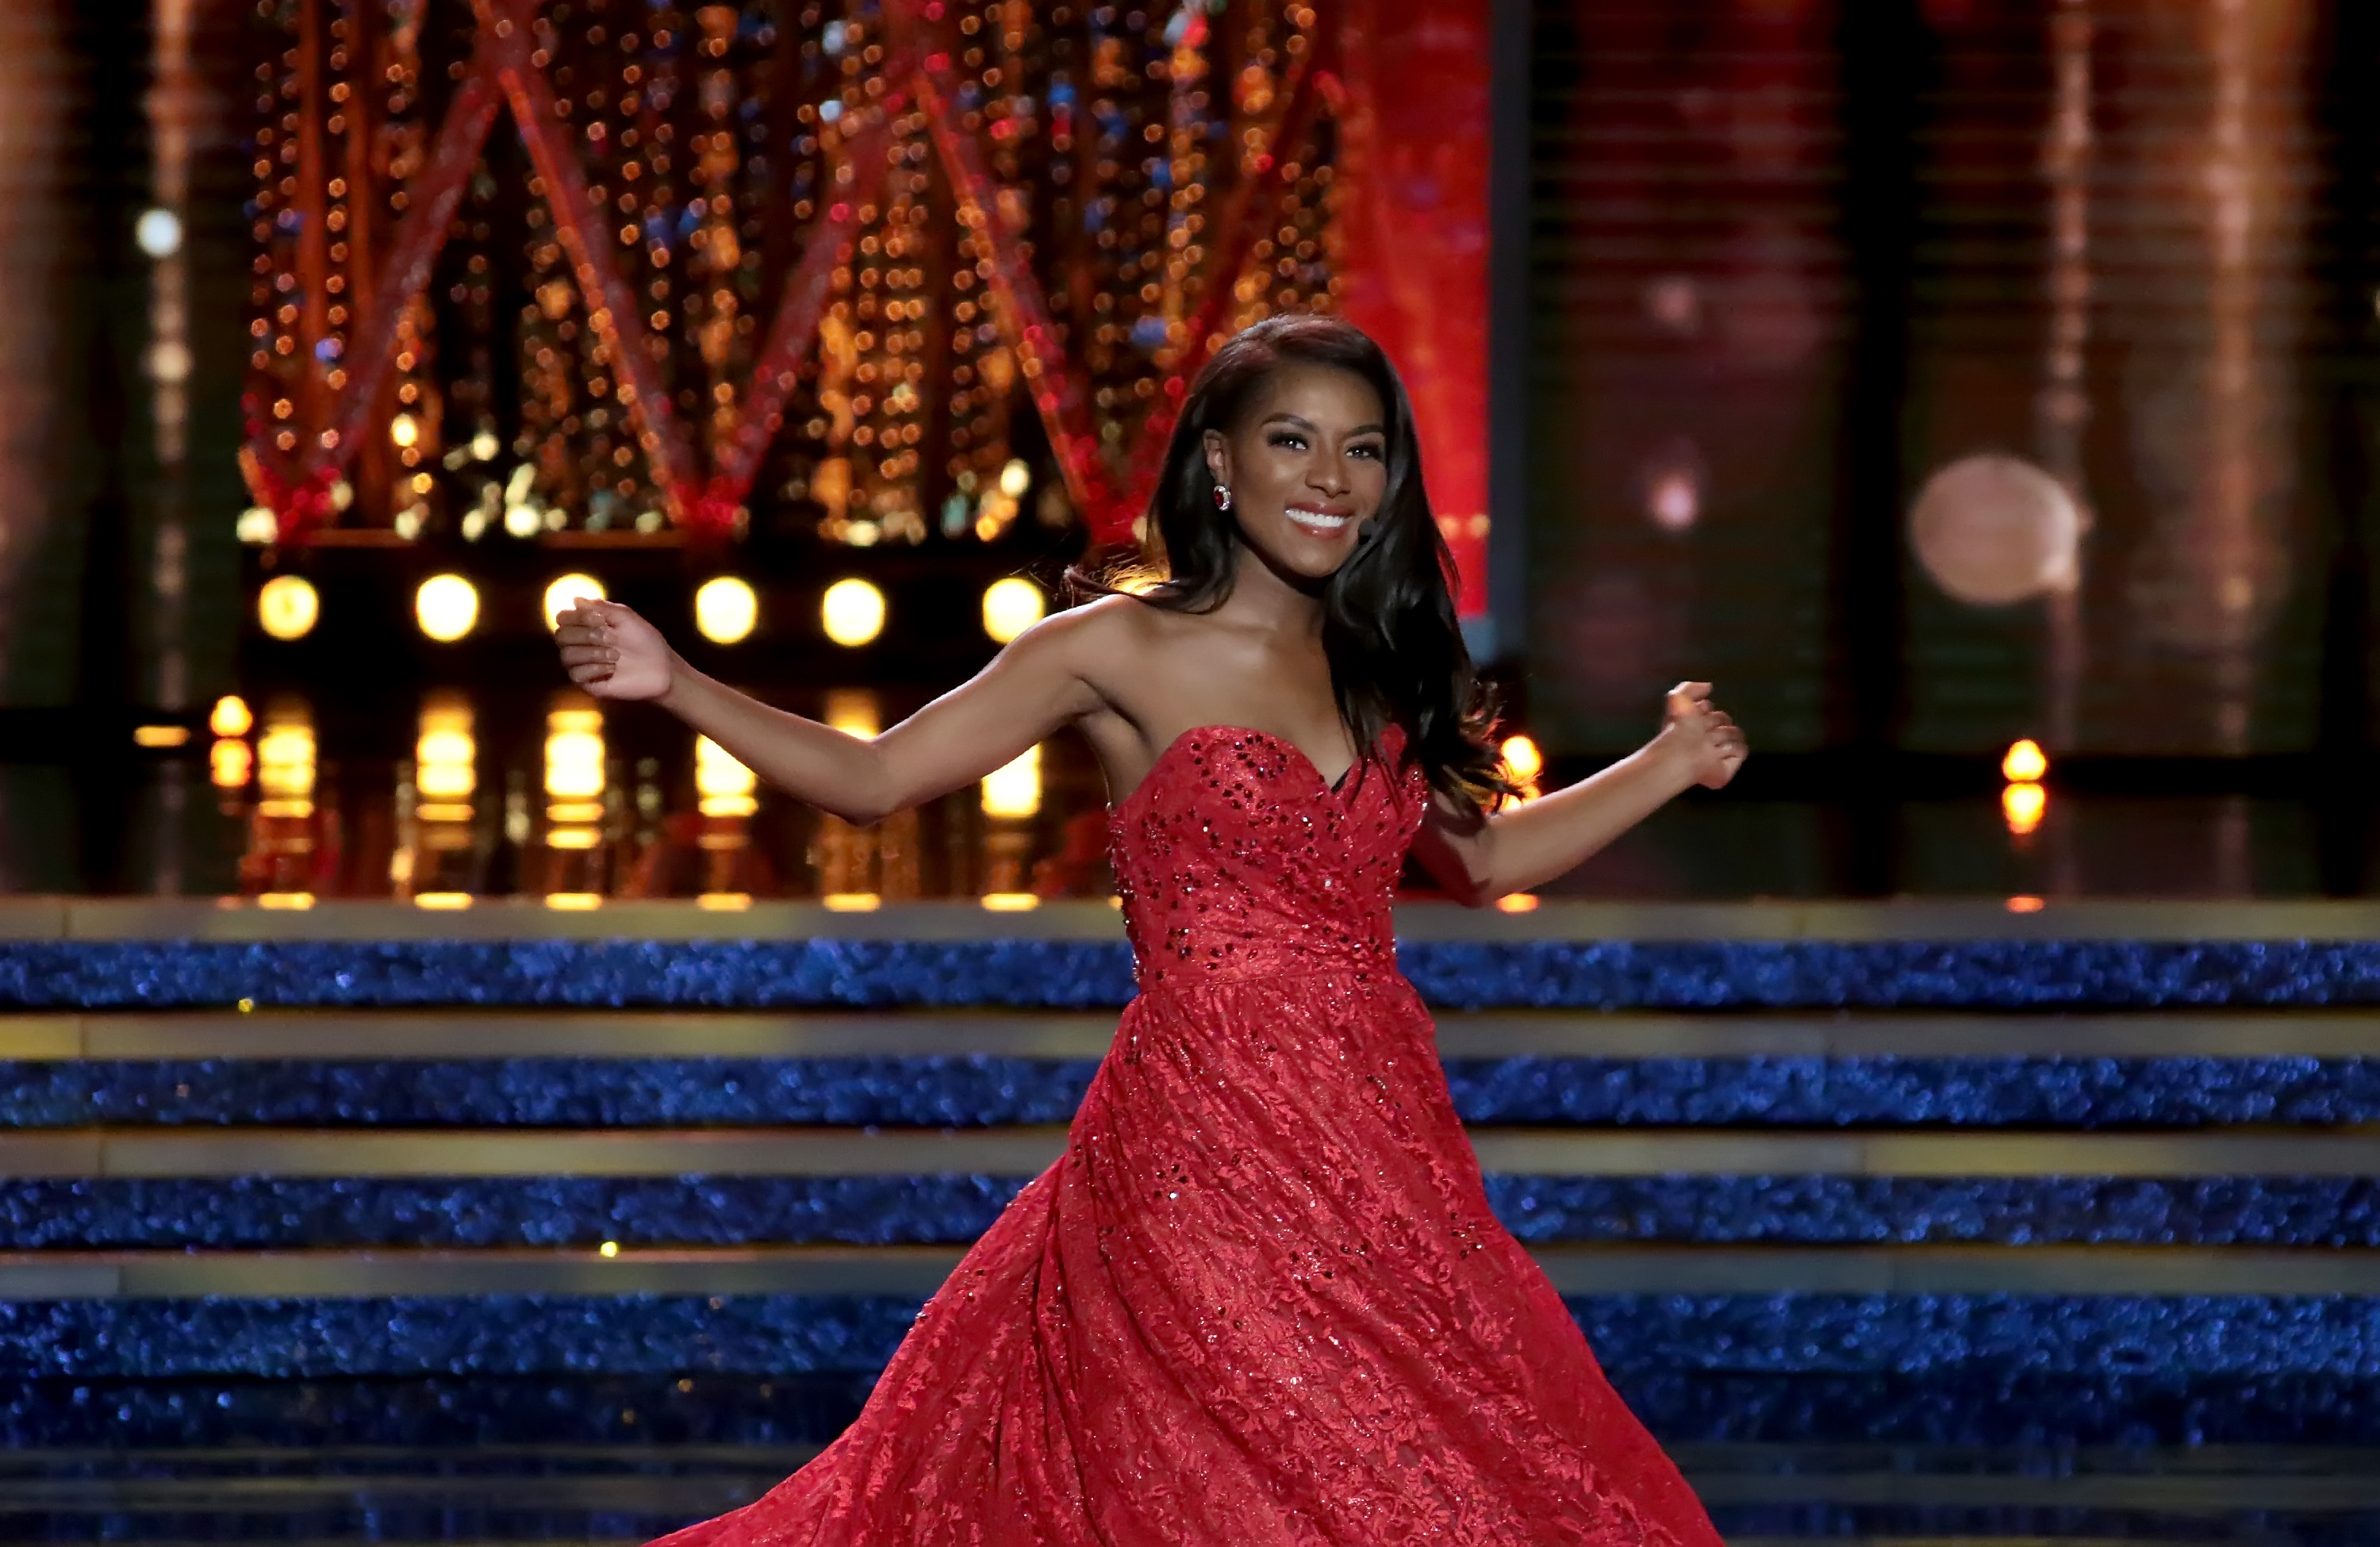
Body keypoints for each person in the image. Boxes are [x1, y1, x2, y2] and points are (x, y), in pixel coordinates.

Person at [554, 313, 1745, 1545]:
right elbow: (877, 777)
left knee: (1432, 1471)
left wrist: (1667, 762)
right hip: (1197, 1146)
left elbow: (1484, 859)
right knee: (1250, 1480)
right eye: (1293, 441)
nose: (1331, 478)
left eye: (1364, 448)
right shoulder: (1113, 645)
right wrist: (677, 682)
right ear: (1219, 465)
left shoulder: (1384, 662)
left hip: (1381, 1139)